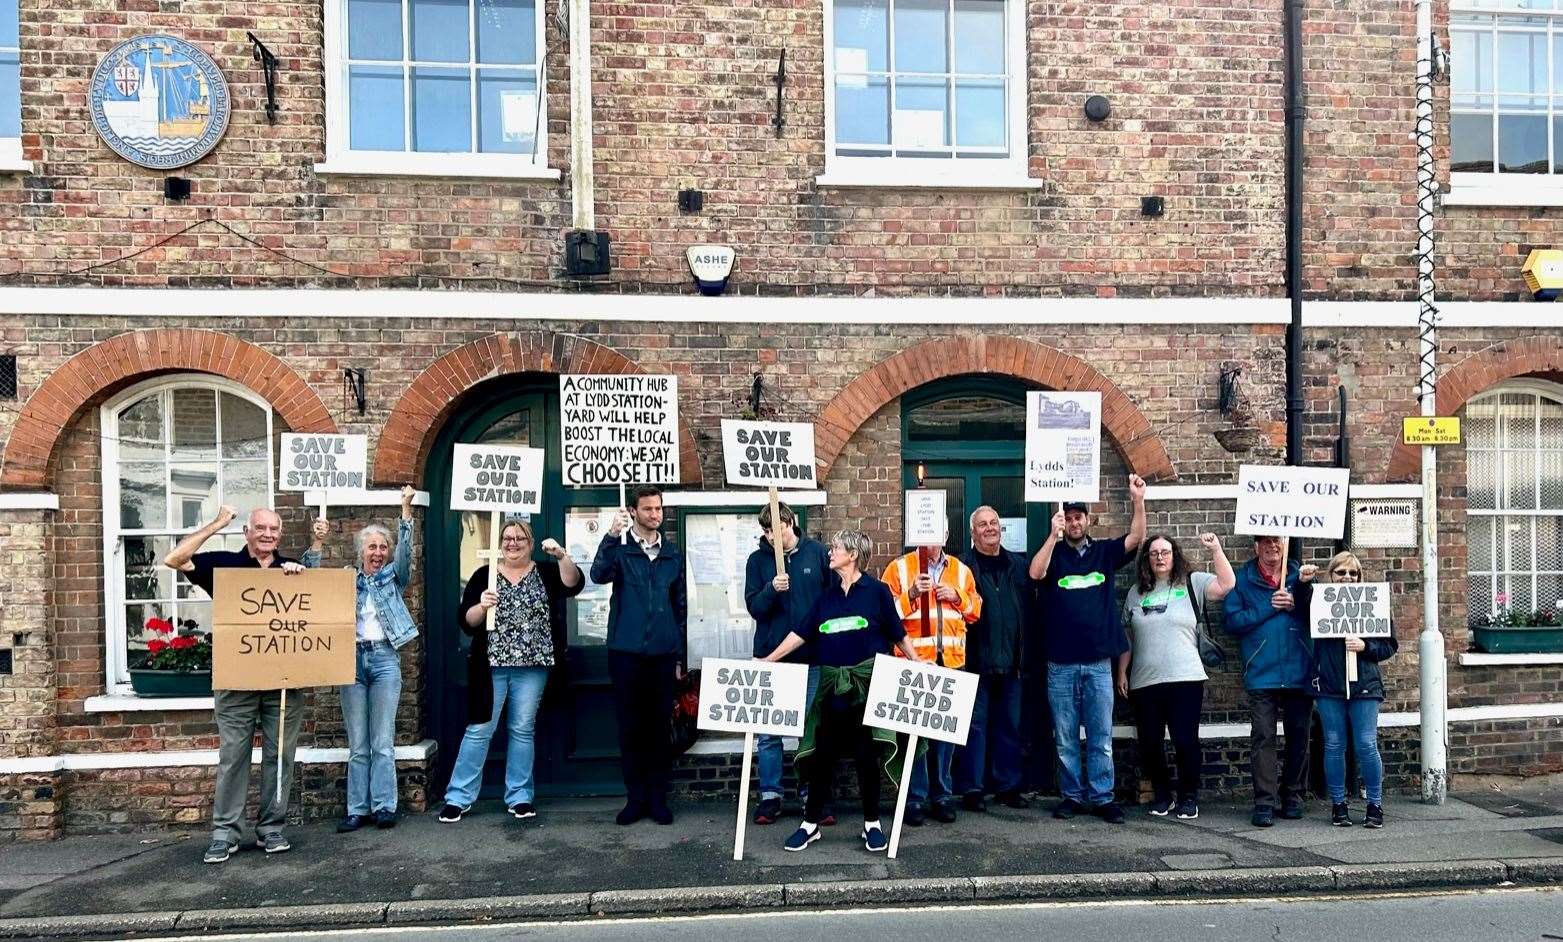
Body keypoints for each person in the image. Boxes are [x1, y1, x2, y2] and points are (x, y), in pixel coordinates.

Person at [163, 504, 326, 864]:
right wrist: (218, 523)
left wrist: (304, 577)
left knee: (279, 756)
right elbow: (175, 558)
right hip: (237, 681)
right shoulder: (223, 567)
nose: (268, 534)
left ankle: (272, 828)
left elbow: (317, 609)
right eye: (260, 528)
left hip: (283, 679)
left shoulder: (290, 570)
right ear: (247, 532)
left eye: (274, 529)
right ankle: (225, 833)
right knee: (233, 756)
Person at [762, 530, 920, 854]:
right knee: (822, 758)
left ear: (853, 554)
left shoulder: (877, 592)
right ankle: (810, 824)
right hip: (832, 689)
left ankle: (872, 824)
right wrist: (769, 659)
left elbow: (897, 633)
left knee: (866, 757)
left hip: (869, 688)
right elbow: (801, 633)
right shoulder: (826, 597)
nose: (830, 552)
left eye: (835, 548)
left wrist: (919, 662)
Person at [439, 519, 584, 823]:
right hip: (490, 666)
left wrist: (561, 556)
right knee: (480, 729)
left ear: (530, 543)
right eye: (507, 538)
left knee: (522, 729)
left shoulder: (544, 572)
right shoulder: (485, 575)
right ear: (500, 542)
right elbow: (467, 620)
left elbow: (574, 585)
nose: (513, 543)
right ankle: (458, 798)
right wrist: (481, 605)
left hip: (533, 666)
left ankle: (519, 796)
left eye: (520, 538)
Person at [1029, 475, 1147, 824]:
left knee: (1100, 735)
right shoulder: (1053, 554)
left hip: (1098, 662)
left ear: (1088, 519)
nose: (1074, 521)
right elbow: (1036, 574)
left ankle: (1102, 796)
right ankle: (1072, 796)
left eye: (1079, 516)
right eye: (1068, 516)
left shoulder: (1103, 553)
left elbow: (1136, 537)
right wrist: (1052, 536)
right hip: (1060, 663)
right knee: (1065, 737)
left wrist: (1138, 499)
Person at [311, 487, 419, 833]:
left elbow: (406, 557)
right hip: (352, 661)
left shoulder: (393, 578)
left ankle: (385, 806)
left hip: (385, 659)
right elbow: (310, 578)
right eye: (371, 547)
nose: (377, 552)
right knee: (358, 743)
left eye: (382, 547)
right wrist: (316, 544)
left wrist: (405, 511)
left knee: (382, 741)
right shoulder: (348, 580)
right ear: (361, 552)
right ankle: (357, 809)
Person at [1117, 532, 1235, 821]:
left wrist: (1216, 549)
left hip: (1185, 677)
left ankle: (1188, 796)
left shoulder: (1192, 583)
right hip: (1145, 681)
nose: (1160, 557)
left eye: (1165, 552)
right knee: (1150, 742)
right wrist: (1122, 671)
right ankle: (1162, 794)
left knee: (1184, 740)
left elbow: (1226, 585)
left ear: (1175, 555)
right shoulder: (1136, 593)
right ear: (1146, 559)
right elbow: (1128, 636)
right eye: (1154, 553)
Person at [591, 485, 687, 826]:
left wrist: (678, 658)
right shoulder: (621, 550)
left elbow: (680, 608)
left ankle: (658, 799)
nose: (655, 515)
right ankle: (635, 799)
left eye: (658, 509)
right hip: (626, 653)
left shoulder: (672, 554)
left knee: (659, 729)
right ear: (633, 511)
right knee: (631, 729)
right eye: (648, 509)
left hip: (662, 655)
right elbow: (598, 574)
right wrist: (611, 535)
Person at [881, 525, 980, 825]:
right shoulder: (898, 568)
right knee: (914, 735)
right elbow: (883, 615)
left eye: (937, 534)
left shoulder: (961, 571)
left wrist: (958, 596)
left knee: (944, 735)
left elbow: (976, 610)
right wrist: (911, 594)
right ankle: (914, 798)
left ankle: (942, 796)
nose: (931, 541)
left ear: (947, 537)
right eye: (925, 534)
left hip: (950, 662)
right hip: (913, 663)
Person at [743, 502, 835, 826]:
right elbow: (754, 607)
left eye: (777, 528)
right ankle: (771, 797)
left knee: (809, 731)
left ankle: (813, 795)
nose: (772, 536)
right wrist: (772, 589)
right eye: (766, 531)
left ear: (791, 522)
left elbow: (832, 600)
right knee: (769, 734)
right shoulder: (757, 561)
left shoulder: (817, 554)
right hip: (771, 658)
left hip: (811, 659)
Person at [1223, 534, 1316, 827]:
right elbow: (1232, 622)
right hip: (1262, 671)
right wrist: (1270, 607)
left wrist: (1296, 604)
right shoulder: (1242, 579)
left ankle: (1293, 797)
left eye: (1277, 541)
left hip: (1298, 670)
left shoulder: (1300, 577)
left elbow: (1323, 617)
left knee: (1299, 736)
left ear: (1285, 545)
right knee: (1263, 737)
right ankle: (1264, 802)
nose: (1272, 547)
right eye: (1265, 542)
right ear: (1255, 547)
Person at [1299, 551, 1396, 829]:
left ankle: (1375, 805)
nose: (1347, 578)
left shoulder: (1373, 603)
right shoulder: (1320, 602)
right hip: (1330, 685)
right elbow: (1302, 606)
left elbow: (1389, 645)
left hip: (1365, 685)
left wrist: (1366, 647)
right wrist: (1304, 583)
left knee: (1366, 744)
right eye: (1340, 572)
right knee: (1334, 744)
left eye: (1353, 573)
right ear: (1331, 575)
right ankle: (1338, 805)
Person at [957, 506, 1033, 812]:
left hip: (1013, 661)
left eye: (994, 523)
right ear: (972, 532)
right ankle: (973, 788)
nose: (990, 528)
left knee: (1009, 726)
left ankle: (1007, 786)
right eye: (983, 524)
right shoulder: (963, 567)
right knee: (974, 727)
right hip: (976, 660)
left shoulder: (1018, 564)